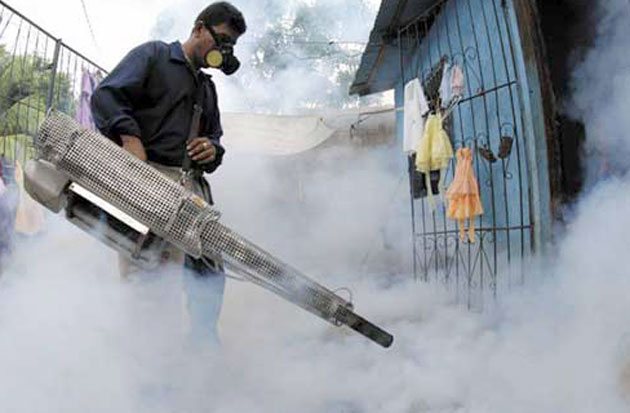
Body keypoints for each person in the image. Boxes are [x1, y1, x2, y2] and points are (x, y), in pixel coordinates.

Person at [90, 2, 247, 345]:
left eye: (231, 45)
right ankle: (147, 358)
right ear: (199, 29)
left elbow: (216, 138)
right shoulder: (154, 56)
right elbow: (106, 96)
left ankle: (202, 342)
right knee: (150, 275)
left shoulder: (206, 88)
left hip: (190, 186)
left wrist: (212, 149)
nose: (225, 50)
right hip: (148, 179)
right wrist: (130, 138)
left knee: (208, 267)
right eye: (221, 39)